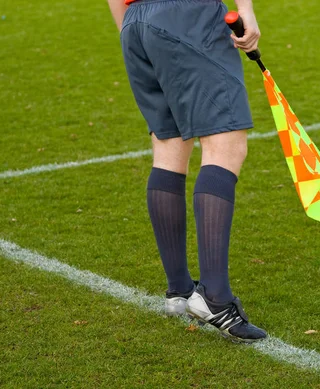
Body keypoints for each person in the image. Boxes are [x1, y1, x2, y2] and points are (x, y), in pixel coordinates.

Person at [107, 0, 267, 343]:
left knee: (168, 149)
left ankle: (179, 290)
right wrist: (247, 11)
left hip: (135, 24)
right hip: (188, 17)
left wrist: (132, 30)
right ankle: (215, 297)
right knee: (226, 147)